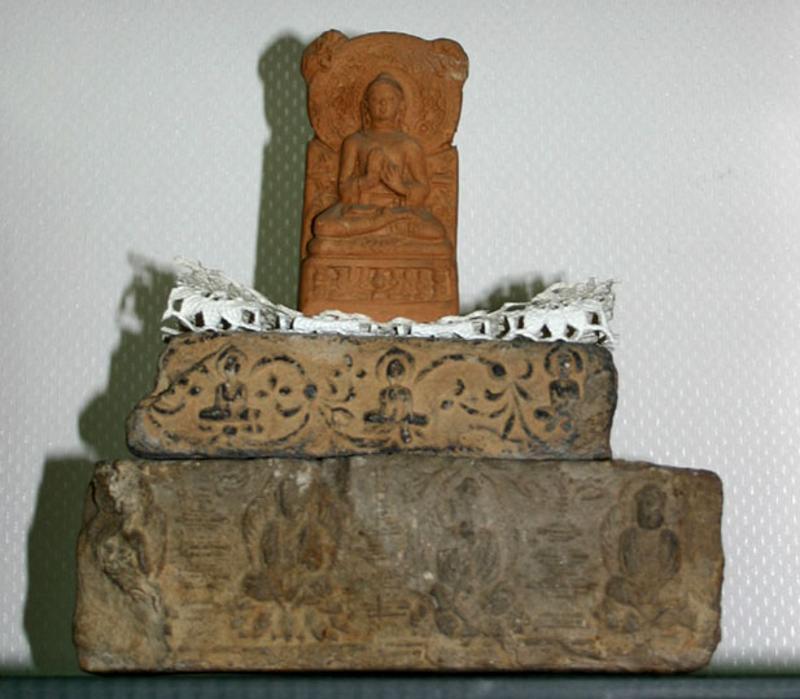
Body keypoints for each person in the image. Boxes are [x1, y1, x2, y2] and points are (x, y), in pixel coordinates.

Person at [312, 73, 447, 242]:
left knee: (436, 231)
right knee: (322, 226)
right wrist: (368, 180)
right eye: (376, 99)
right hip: (360, 211)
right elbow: (344, 190)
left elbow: (423, 188)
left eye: (390, 100)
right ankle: (384, 224)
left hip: (398, 210)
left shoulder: (408, 145)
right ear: (366, 106)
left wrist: (401, 187)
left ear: (401, 106)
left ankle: (379, 224)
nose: (383, 104)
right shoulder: (355, 142)